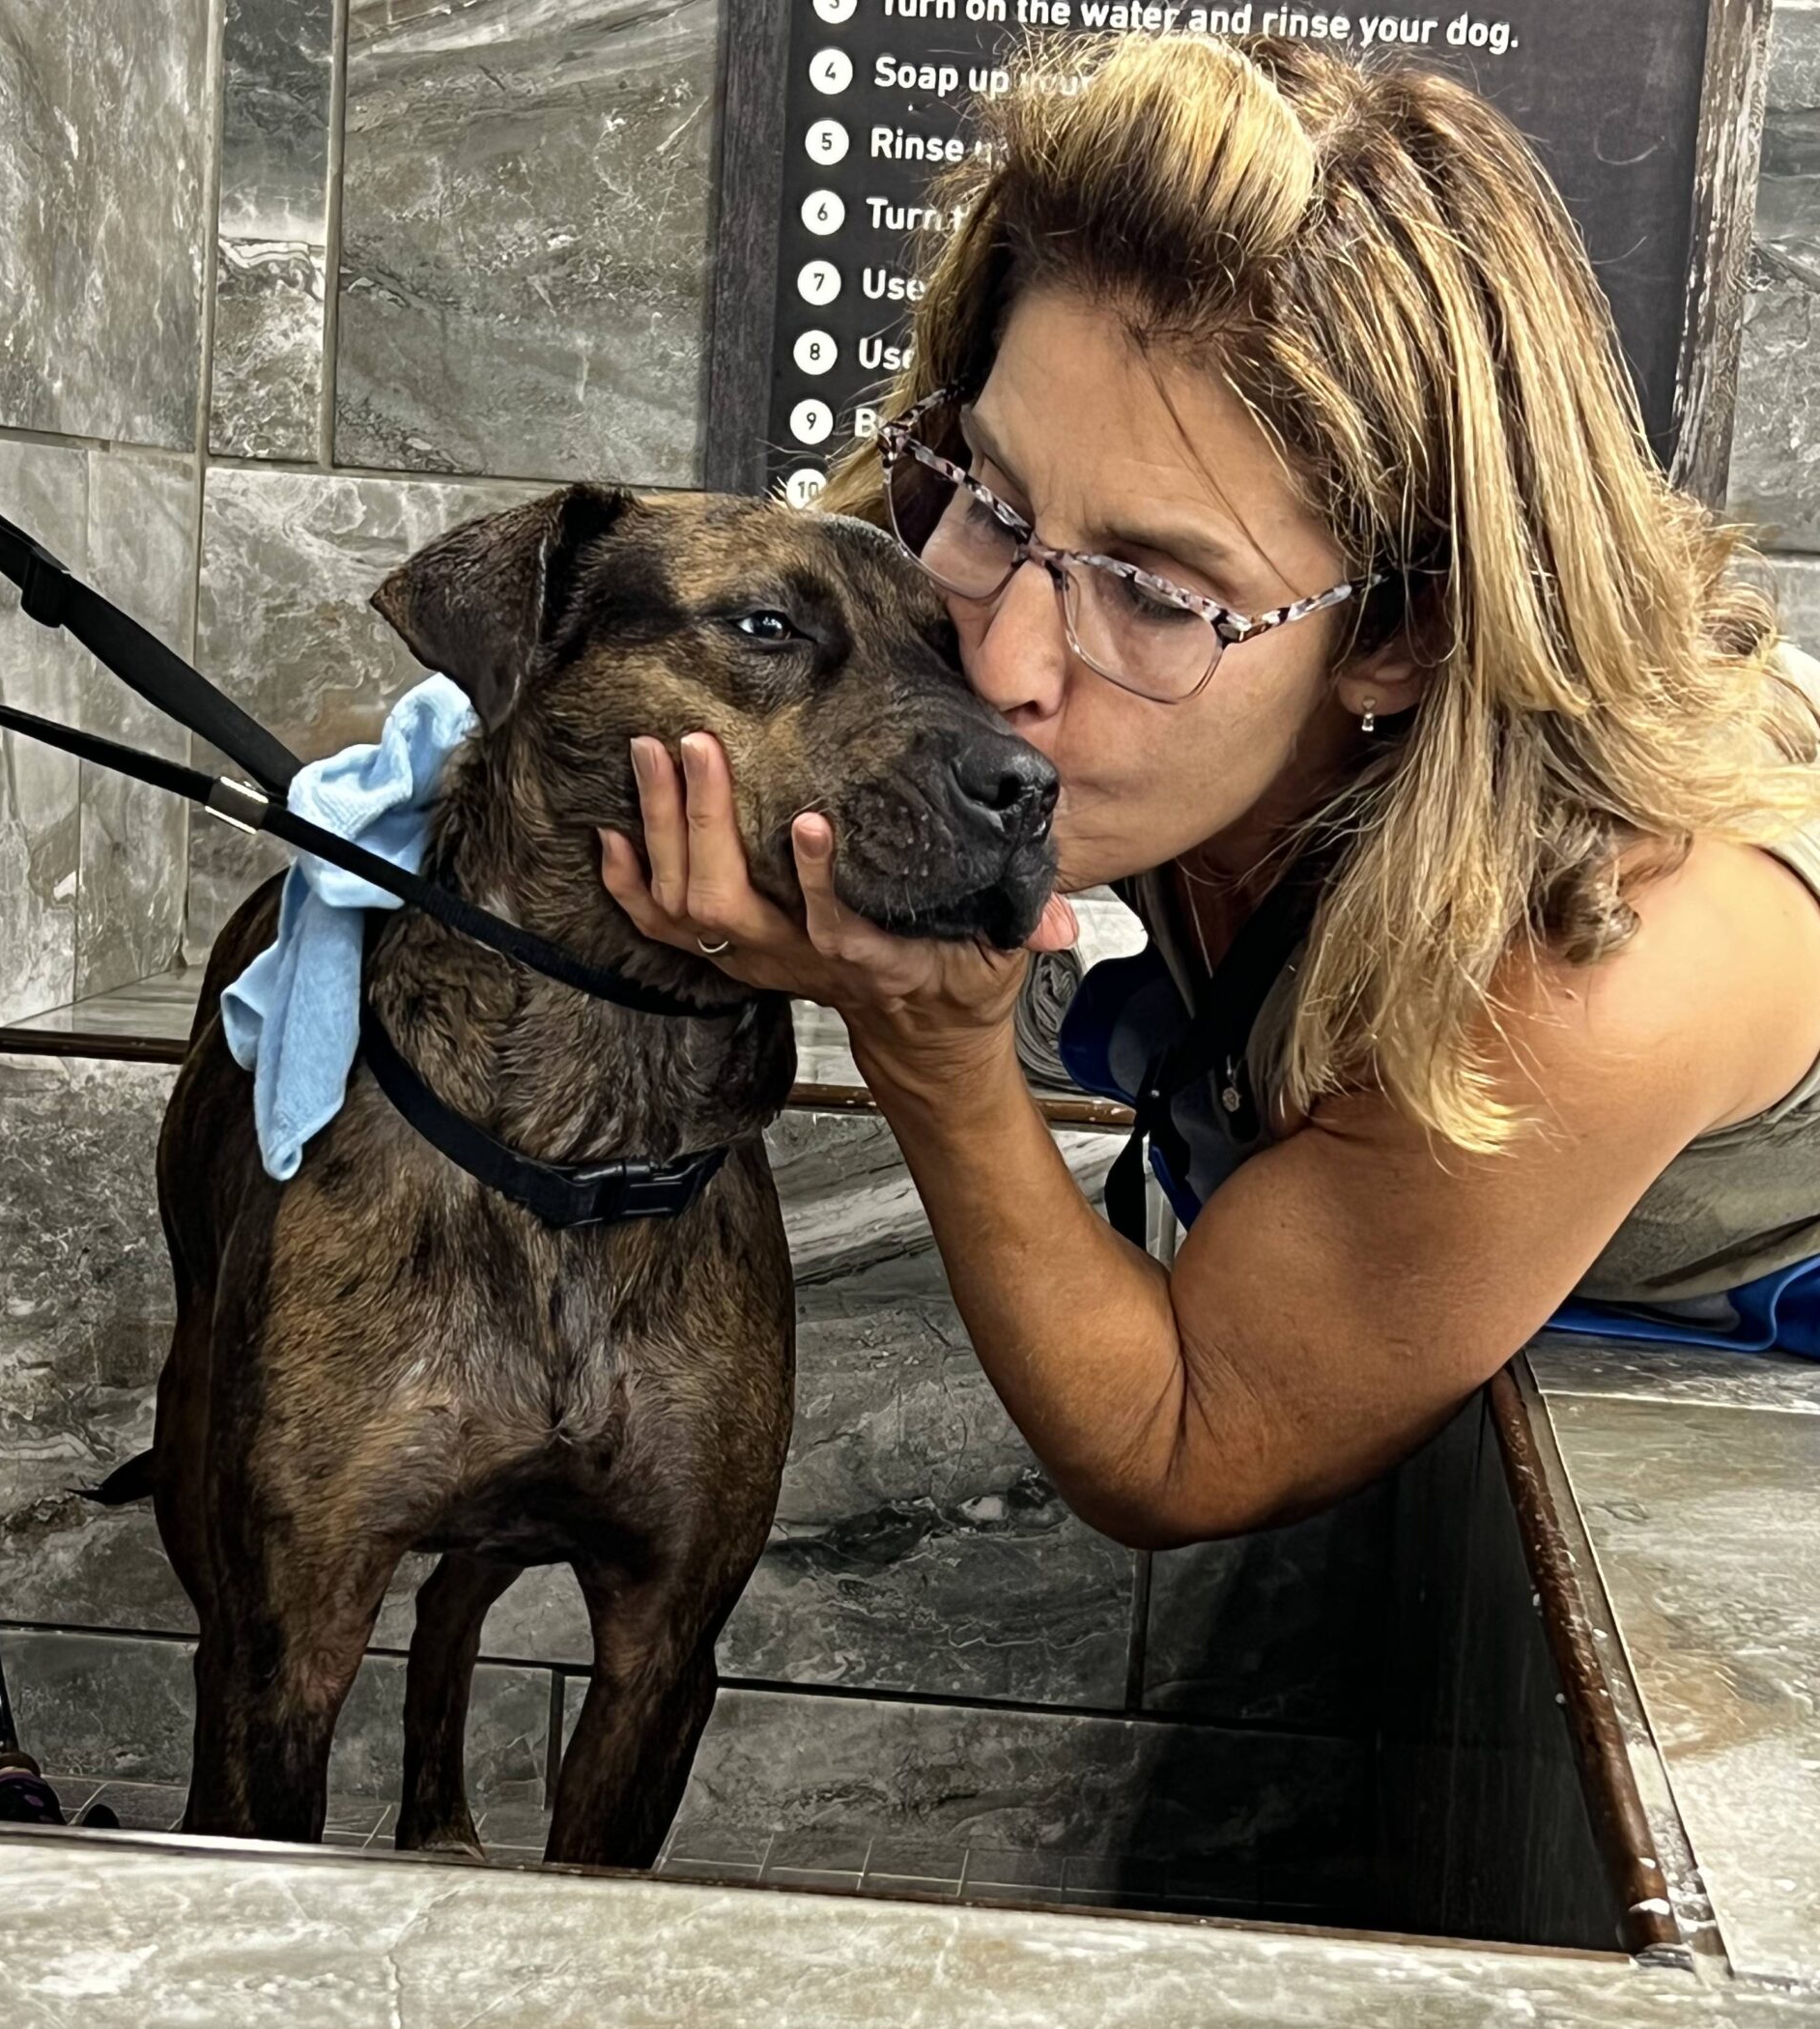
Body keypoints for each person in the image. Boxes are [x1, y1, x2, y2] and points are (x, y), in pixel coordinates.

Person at [601, 33, 1820, 1548]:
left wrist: (931, 1047)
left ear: (1404, 631)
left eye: (1158, 598)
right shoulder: (1048, 626)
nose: (1005, 661)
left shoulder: (1597, 957)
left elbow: (1189, 1448)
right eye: (991, 496)